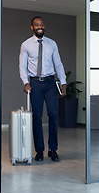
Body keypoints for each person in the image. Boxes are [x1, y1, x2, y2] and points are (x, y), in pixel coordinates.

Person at [19, 16, 67, 162]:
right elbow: (22, 66)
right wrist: (25, 82)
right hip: (35, 84)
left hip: (50, 83)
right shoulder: (26, 45)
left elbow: (58, 64)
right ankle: (39, 150)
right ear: (32, 27)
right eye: (36, 25)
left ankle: (53, 150)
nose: (40, 26)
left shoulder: (52, 44)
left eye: (42, 24)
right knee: (37, 118)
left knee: (53, 114)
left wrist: (63, 82)